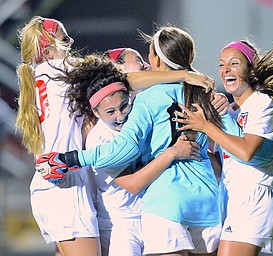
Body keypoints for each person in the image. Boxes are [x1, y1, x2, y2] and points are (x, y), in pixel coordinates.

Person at [36, 26, 225, 256]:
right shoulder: (102, 133)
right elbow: (134, 182)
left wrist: (225, 104)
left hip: (159, 209)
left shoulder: (144, 105)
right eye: (139, 63)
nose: (146, 67)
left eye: (146, 59)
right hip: (123, 224)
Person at [172, 40, 273, 256]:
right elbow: (223, 167)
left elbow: (246, 152)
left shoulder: (261, 103)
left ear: (251, 68)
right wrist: (194, 146)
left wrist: (206, 125)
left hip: (252, 202)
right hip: (231, 201)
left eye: (234, 63)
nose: (226, 70)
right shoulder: (230, 111)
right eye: (221, 65)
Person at [15, 16, 101, 256]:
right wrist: (183, 76)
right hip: (66, 183)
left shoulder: (34, 76)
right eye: (64, 38)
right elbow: (121, 79)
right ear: (48, 47)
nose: (71, 41)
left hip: (48, 183)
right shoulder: (63, 71)